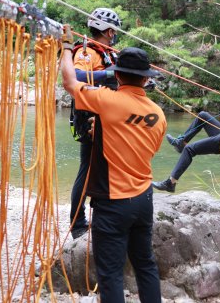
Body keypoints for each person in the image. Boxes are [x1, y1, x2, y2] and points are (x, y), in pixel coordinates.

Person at [61, 35, 166, 303]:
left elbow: (70, 82)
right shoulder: (158, 114)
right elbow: (147, 149)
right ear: (145, 79)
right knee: (145, 265)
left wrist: (65, 48)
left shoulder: (107, 100)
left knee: (110, 273)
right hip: (144, 199)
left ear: (117, 75)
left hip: (113, 203)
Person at [69, 7, 122, 239]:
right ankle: (78, 223)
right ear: (109, 31)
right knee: (88, 169)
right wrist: (110, 75)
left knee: (105, 167)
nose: (116, 35)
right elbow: (77, 76)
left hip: (106, 115)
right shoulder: (86, 51)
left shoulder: (107, 52)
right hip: (90, 117)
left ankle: (101, 213)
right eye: (115, 32)